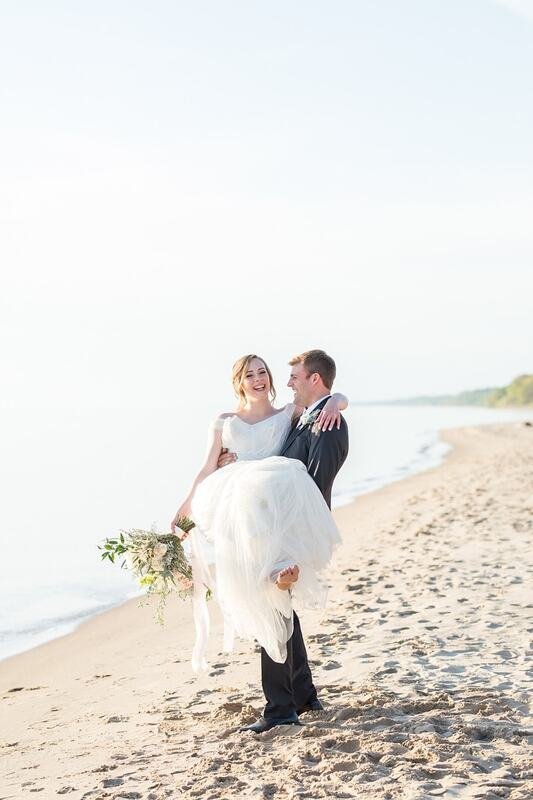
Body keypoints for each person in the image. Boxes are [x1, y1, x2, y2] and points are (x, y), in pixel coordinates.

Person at [171, 351, 349, 732]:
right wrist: (185, 508)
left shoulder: (288, 415)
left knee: (269, 603)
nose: (259, 379)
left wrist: (336, 399)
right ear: (239, 382)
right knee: (277, 604)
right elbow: (206, 467)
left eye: (263, 372)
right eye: (250, 374)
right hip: (237, 521)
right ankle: (304, 697)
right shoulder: (223, 421)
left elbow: (325, 402)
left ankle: (281, 710)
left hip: (273, 521)